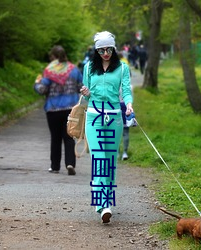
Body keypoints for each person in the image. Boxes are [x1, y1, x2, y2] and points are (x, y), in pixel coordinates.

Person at [80, 31, 133, 223]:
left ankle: (105, 201)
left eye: (109, 49)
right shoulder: (88, 68)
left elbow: (126, 90)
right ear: (96, 50)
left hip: (114, 118)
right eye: (101, 50)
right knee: (99, 159)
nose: (105, 53)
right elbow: (86, 97)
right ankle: (103, 205)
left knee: (110, 163)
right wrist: (85, 92)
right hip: (94, 117)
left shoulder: (122, 68)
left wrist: (128, 104)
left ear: (114, 48)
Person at [34, 45, 83, 175]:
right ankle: (70, 163)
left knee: (55, 138)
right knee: (69, 137)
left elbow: (42, 90)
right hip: (70, 109)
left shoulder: (49, 71)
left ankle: (55, 166)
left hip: (53, 109)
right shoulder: (74, 70)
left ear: (53, 57)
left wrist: (37, 83)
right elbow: (81, 87)